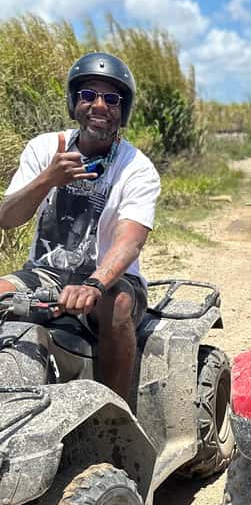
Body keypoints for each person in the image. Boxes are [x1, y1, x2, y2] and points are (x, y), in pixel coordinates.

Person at [0, 52, 161, 402]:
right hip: (45, 274)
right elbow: (7, 218)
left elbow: (130, 241)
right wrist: (46, 180)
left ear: (123, 110)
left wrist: (93, 284)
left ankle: (115, 414)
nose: (99, 106)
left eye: (111, 99)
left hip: (111, 278)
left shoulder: (137, 168)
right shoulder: (45, 148)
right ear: (74, 102)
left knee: (117, 305)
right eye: (88, 95)